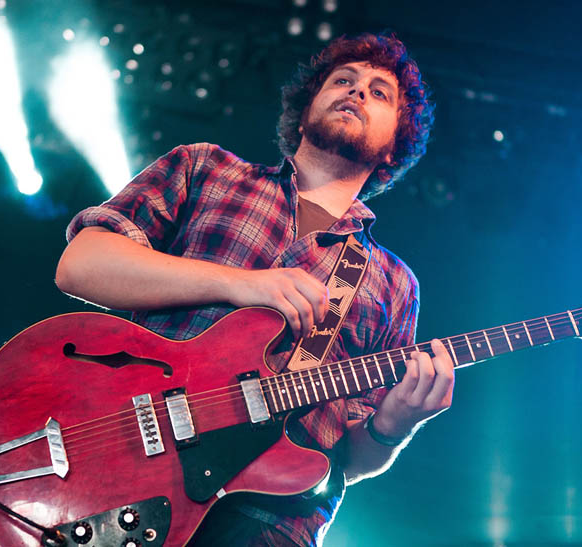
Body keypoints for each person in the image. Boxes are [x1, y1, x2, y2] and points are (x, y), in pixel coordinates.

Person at [55, 32, 454, 546]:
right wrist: (241, 284)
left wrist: (395, 426)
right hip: (124, 471)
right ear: (305, 108)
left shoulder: (394, 282)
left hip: (273, 524)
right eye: (344, 81)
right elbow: (80, 265)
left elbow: (351, 461)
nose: (357, 92)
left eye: (380, 93)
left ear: (395, 142)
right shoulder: (207, 168)